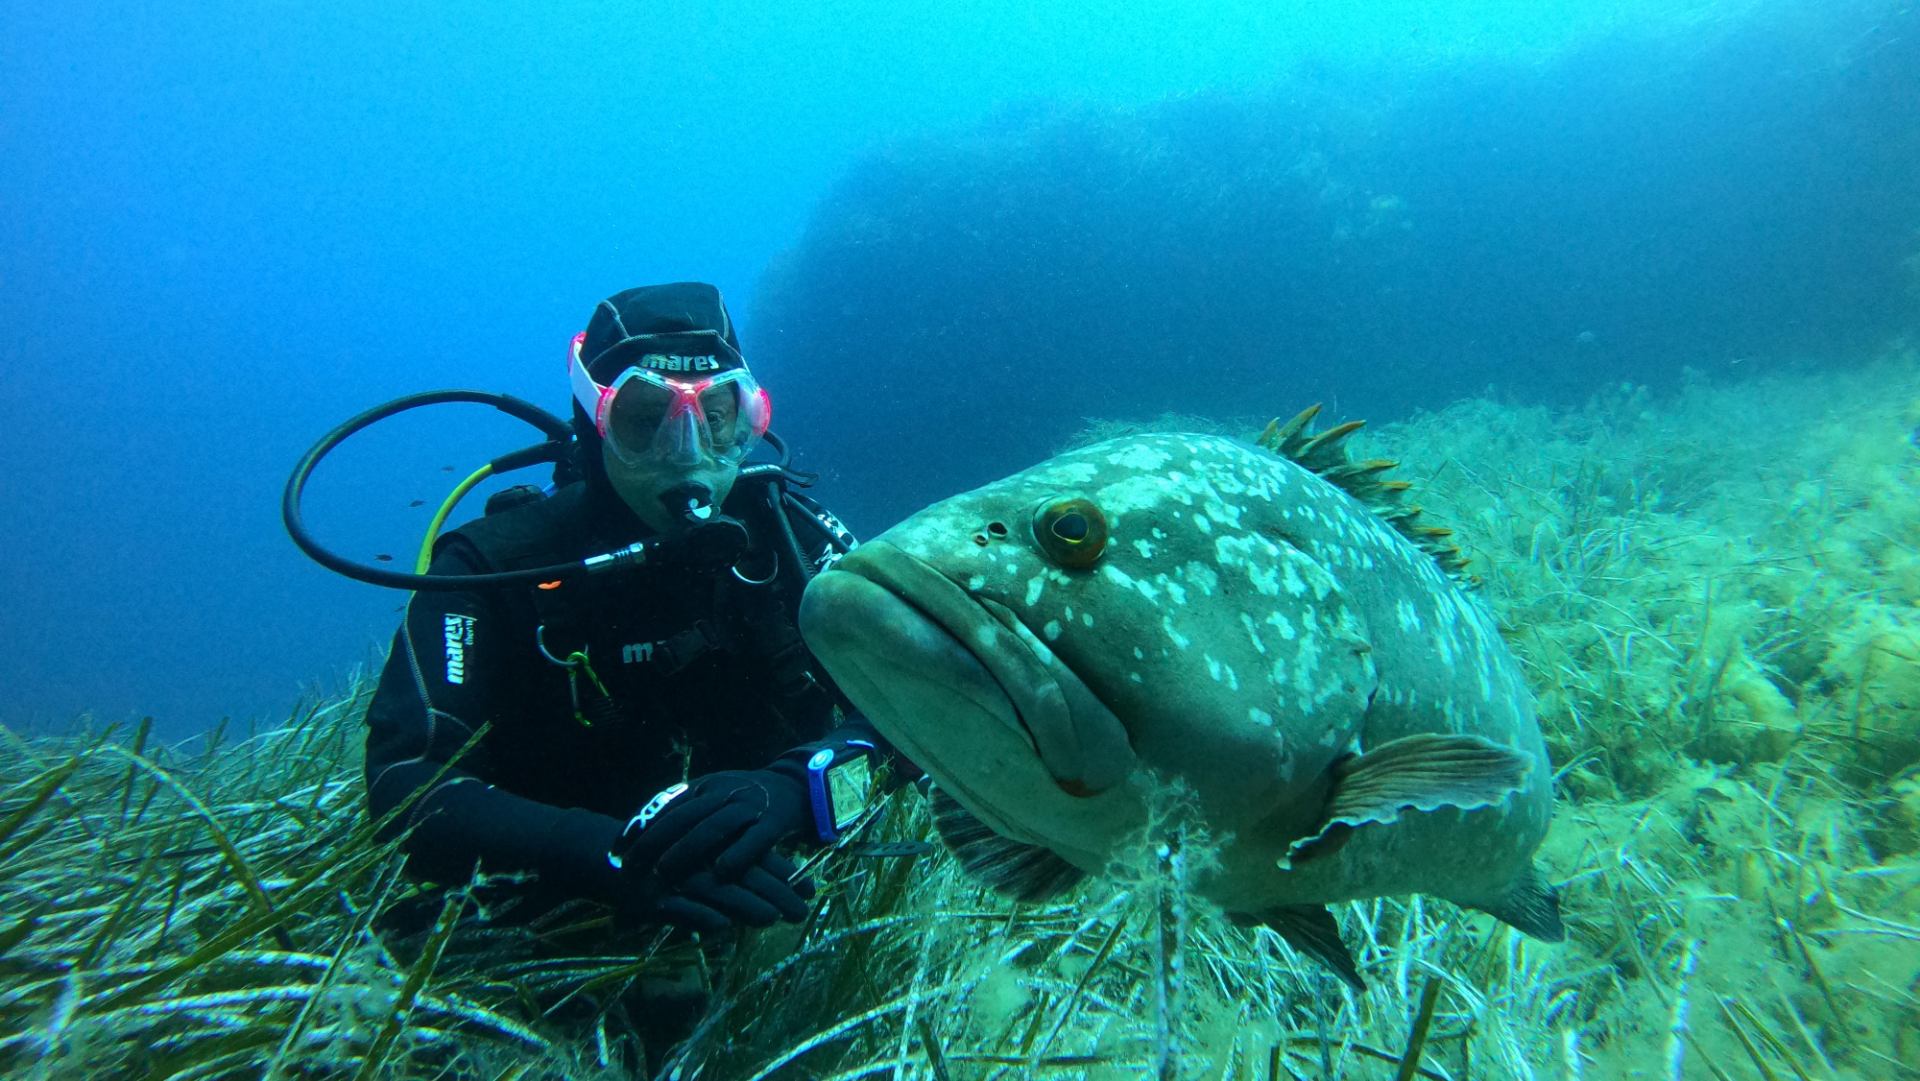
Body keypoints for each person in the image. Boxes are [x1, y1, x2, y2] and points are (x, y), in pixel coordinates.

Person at [362, 282, 884, 937]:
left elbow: (919, 709)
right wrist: (589, 853)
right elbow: (407, 786)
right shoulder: (493, 568)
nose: (688, 451)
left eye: (716, 418)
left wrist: (797, 792)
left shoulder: (790, 538)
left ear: (749, 419)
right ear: (595, 421)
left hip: (777, 891)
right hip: (555, 920)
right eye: (646, 420)